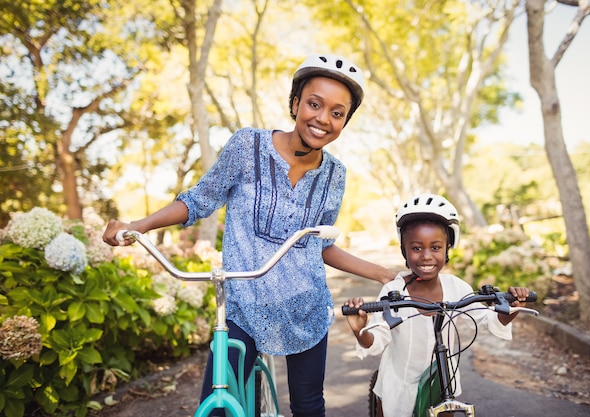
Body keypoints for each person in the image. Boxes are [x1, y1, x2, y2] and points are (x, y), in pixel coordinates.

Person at [102, 53, 395, 417]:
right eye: (314, 104)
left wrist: (385, 274)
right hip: (243, 303)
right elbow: (198, 200)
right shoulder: (247, 147)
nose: (323, 119)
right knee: (219, 408)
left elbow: (319, 244)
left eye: (337, 113)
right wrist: (138, 225)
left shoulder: (335, 175)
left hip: (305, 306)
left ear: (344, 122)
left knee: (308, 407)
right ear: (295, 104)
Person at [344, 193, 531, 417]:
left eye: (435, 247)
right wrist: (359, 329)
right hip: (399, 382)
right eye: (416, 248)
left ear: (447, 248)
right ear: (404, 250)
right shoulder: (394, 292)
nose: (426, 256)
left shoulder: (457, 287)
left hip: (441, 381)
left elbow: (489, 318)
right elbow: (375, 339)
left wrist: (510, 309)